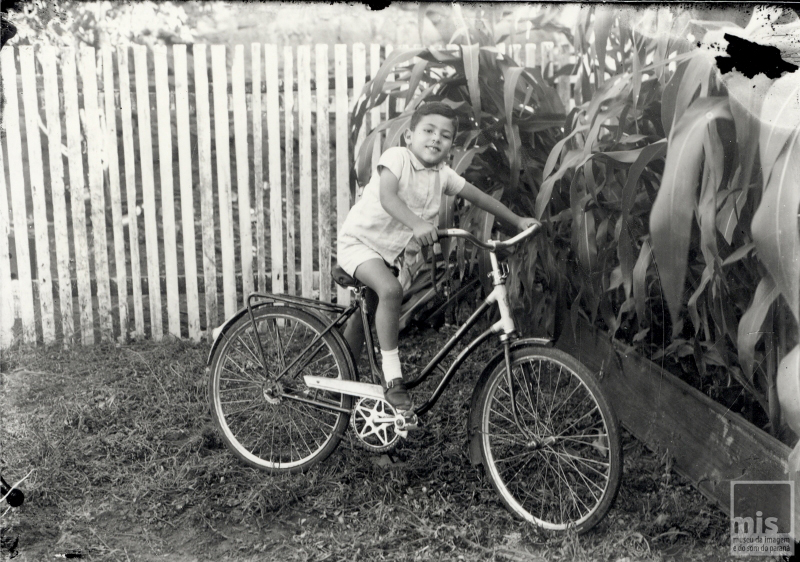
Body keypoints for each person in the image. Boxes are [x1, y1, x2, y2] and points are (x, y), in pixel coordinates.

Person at [337, 101, 537, 412]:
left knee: (368, 313)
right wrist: (417, 223)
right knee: (390, 290)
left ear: (451, 146)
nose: (435, 139)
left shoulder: (442, 174)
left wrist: (518, 220)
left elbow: (479, 197)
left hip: (391, 257)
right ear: (409, 137)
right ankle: (393, 378)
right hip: (360, 243)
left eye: (445, 135)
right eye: (428, 131)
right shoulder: (397, 158)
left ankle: (341, 380)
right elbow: (387, 197)